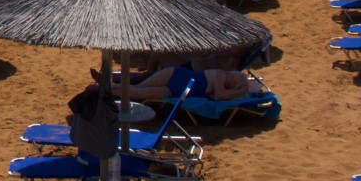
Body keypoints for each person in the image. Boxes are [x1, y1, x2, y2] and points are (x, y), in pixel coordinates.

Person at [96, 64, 264, 103]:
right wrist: (240, 91)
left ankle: (105, 90)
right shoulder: (221, 75)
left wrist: (239, 90)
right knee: (140, 87)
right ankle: (104, 87)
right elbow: (219, 95)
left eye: (238, 82)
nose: (237, 79)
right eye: (239, 78)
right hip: (176, 75)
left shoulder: (224, 84)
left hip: (177, 89)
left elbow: (219, 95)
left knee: (139, 93)